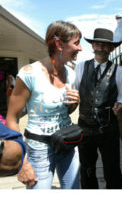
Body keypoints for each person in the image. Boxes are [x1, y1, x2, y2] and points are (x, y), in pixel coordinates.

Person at [6, 20, 82, 189]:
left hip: (67, 143)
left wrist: (74, 103)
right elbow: (11, 118)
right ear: (59, 44)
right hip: (39, 151)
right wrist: (21, 163)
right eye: (76, 43)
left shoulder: (71, 73)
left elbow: (67, 112)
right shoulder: (29, 74)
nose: (80, 48)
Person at [75, 28, 122, 189]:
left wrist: (121, 105)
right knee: (87, 169)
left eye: (105, 46)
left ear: (112, 49)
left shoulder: (119, 71)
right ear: (92, 46)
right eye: (97, 44)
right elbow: (74, 91)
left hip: (109, 129)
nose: (101, 48)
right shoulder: (81, 67)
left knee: (112, 169)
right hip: (85, 128)